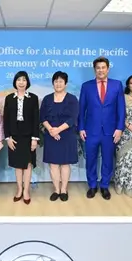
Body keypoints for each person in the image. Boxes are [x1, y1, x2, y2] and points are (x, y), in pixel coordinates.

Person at [78, 56, 126, 200]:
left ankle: (104, 186)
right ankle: (92, 185)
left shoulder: (117, 85)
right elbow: (81, 109)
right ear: (94, 70)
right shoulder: (86, 86)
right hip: (91, 130)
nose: (100, 70)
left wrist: (119, 128)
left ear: (108, 69)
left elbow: (121, 109)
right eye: (98, 68)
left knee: (107, 160)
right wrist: (81, 127)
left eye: (103, 67)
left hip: (110, 132)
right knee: (91, 159)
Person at [40, 71, 80, 201]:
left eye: (61, 81)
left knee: (64, 164)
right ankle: (56, 189)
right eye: (56, 81)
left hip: (67, 135)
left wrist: (58, 130)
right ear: (53, 83)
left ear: (66, 84)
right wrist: (51, 130)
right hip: (51, 135)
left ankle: (64, 190)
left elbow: (73, 118)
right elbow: (42, 117)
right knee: (53, 164)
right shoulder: (47, 99)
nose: (58, 84)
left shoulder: (72, 99)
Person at [3, 71, 40, 204]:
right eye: (19, 80)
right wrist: (7, 137)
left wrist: (35, 138)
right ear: (15, 82)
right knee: (18, 165)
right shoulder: (9, 98)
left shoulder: (33, 98)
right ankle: (19, 189)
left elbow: (36, 119)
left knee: (28, 164)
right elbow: (5, 119)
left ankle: (26, 191)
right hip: (14, 137)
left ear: (27, 82)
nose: (21, 82)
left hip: (28, 136)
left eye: (24, 80)